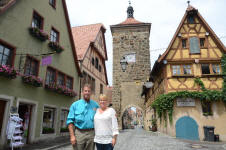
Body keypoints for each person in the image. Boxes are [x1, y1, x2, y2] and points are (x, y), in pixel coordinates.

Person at [67, 84, 99, 150]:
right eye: (85, 91)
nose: (87, 92)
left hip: (91, 134)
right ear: (82, 92)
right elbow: (70, 121)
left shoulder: (95, 105)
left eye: (88, 91)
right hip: (79, 133)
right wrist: (72, 136)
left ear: (91, 93)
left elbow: (101, 116)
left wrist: (110, 112)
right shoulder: (75, 105)